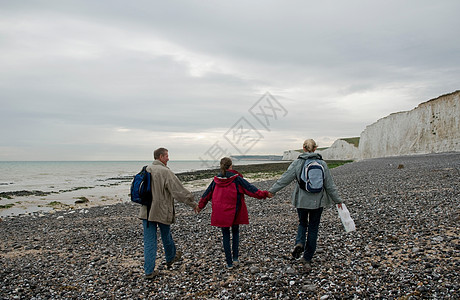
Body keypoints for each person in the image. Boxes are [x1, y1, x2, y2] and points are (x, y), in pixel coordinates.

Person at [268, 139, 344, 271]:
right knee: (313, 228)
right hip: (318, 201)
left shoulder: (298, 163)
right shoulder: (322, 164)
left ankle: (299, 243)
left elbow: (284, 179)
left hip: (301, 201)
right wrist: (338, 200)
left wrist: (271, 191)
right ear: (315, 149)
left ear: (303, 148)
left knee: (303, 223)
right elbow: (329, 185)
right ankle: (307, 258)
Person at [196, 157, 271, 269]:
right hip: (235, 211)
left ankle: (229, 263)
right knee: (235, 233)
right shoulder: (236, 179)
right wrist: (265, 194)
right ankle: (235, 259)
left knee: (225, 235)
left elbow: (207, 194)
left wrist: (199, 206)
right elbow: (252, 190)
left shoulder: (216, 180)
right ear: (231, 166)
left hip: (221, 212)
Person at [139, 147, 199, 279]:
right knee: (166, 235)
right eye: (166, 156)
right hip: (161, 211)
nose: (168, 158)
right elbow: (178, 191)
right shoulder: (165, 172)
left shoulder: (146, 169)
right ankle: (170, 257)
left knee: (149, 241)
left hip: (146, 211)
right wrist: (193, 203)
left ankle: (149, 271)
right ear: (160, 157)